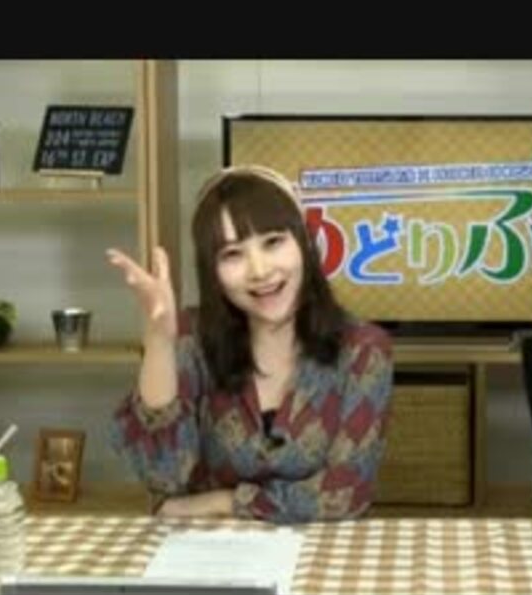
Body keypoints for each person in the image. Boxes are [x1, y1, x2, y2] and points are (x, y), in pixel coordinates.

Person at [106, 165, 393, 523]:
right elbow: (163, 474)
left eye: (273, 242)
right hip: (204, 550)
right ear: (212, 270)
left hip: (318, 552)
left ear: (304, 243)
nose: (259, 271)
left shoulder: (363, 350)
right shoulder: (191, 338)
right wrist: (160, 342)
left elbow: (345, 495)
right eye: (232, 254)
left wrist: (226, 502)